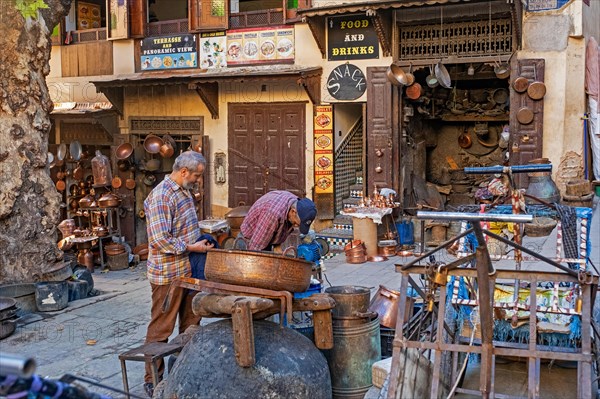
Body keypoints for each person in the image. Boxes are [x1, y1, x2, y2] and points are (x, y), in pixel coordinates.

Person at [142, 151, 214, 397]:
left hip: (188, 269)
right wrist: (192, 246)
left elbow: (182, 227)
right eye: (196, 175)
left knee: (191, 323)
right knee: (161, 328)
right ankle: (153, 379)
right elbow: (160, 239)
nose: (197, 180)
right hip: (168, 274)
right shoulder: (162, 196)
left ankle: (183, 373)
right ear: (184, 172)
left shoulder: (182, 190)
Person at [239, 190, 317, 251]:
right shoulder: (273, 214)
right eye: (296, 223)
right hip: (248, 244)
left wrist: (277, 246)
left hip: (266, 242)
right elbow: (255, 248)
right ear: (293, 212)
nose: (295, 226)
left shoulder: (294, 202)